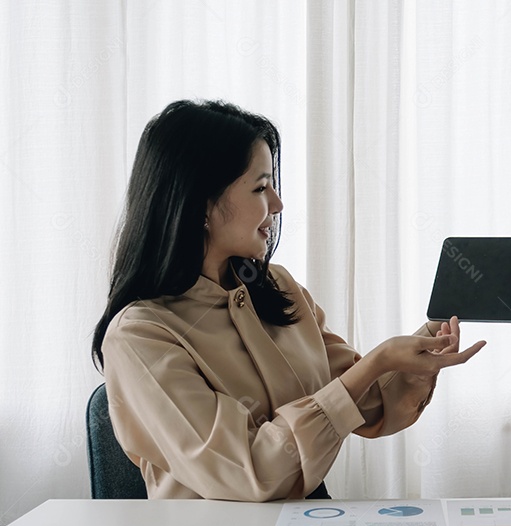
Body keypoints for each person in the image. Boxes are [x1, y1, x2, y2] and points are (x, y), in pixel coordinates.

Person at [92, 100, 484, 501]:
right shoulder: (140, 336)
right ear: (200, 204)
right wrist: (377, 363)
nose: (277, 204)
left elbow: (366, 404)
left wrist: (426, 343)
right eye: (261, 187)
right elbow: (250, 471)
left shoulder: (278, 287)